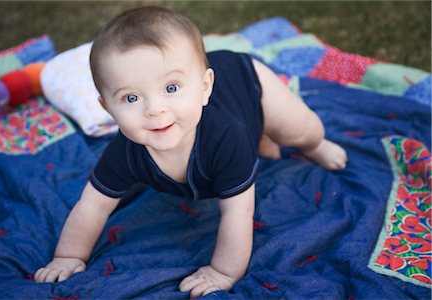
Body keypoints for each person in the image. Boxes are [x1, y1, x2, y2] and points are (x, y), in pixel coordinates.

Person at [34, 6, 347, 298]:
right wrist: (69, 255)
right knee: (263, 144)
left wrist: (223, 272)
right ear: (107, 108)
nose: (154, 109)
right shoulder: (125, 151)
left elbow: (239, 211)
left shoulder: (226, 136)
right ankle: (263, 139)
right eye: (131, 98)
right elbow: (92, 206)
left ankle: (312, 143)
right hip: (231, 113)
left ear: (205, 87)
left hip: (247, 82)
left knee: (299, 129)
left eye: (171, 88)